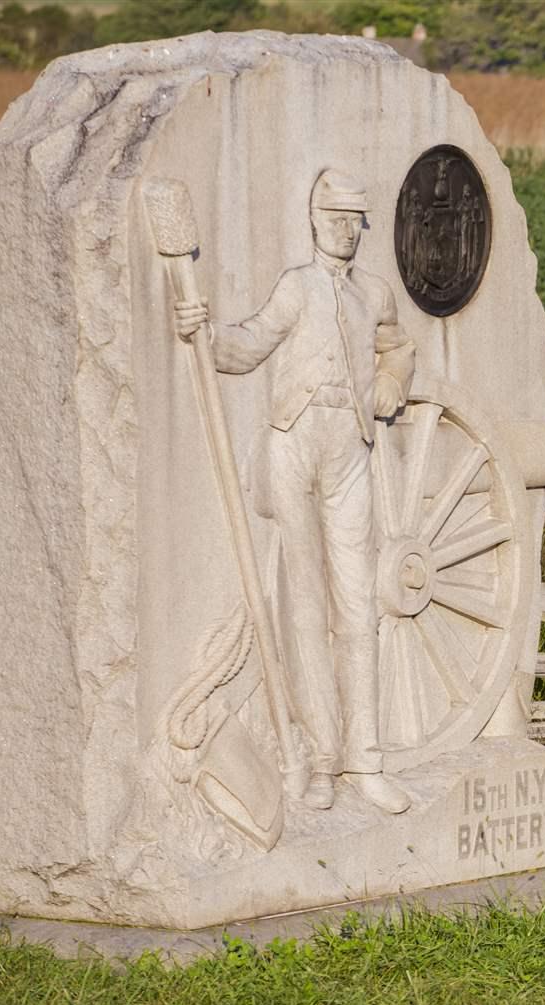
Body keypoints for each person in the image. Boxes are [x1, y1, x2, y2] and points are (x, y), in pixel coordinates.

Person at [175, 168, 414, 814]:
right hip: (293, 441)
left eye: (354, 217)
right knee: (305, 607)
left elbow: (397, 351)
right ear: (313, 218)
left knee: (358, 606)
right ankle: (319, 759)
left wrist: (390, 385)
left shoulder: (375, 294)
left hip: (350, 447)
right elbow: (250, 344)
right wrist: (205, 332)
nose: (345, 227)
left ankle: (366, 760)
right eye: (334, 214)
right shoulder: (297, 287)